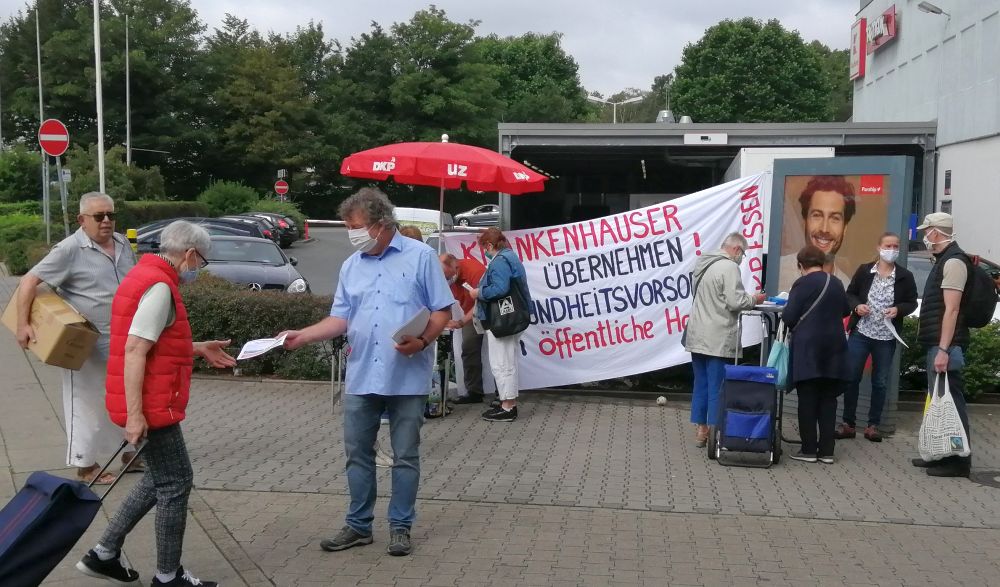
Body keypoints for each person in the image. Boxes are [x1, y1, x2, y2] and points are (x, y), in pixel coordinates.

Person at [281, 188, 453, 556]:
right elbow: (340, 318)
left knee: (405, 455)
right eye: (347, 227)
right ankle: (359, 526)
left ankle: (400, 526)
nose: (351, 234)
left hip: (406, 375)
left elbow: (442, 312)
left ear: (380, 224)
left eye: (355, 226)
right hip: (361, 376)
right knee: (358, 453)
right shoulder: (351, 264)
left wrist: (422, 342)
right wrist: (303, 335)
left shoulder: (421, 257)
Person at [75, 221, 236, 587]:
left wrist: (198, 347)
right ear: (190, 254)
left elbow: (150, 340)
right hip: (151, 405)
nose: (198, 270)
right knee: (178, 481)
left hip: (148, 400)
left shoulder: (142, 274)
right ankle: (167, 576)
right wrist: (135, 417)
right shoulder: (160, 287)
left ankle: (104, 553)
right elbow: (135, 349)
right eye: (202, 263)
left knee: (159, 479)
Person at [15, 192, 139, 484]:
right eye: (99, 216)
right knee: (85, 401)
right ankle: (86, 465)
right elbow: (28, 281)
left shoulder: (122, 243)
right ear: (82, 220)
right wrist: (23, 325)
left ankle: (130, 452)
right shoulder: (70, 248)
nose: (106, 221)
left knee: (125, 395)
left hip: (125, 337)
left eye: (110, 215)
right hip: (87, 343)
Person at [682, 233, 765, 446]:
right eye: (743, 254)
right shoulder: (729, 268)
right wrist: (754, 299)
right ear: (737, 250)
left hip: (697, 334)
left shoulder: (704, 263)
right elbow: (735, 301)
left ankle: (701, 429)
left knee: (701, 382)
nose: (742, 259)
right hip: (717, 336)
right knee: (717, 386)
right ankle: (713, 432)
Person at [838, 232, 918, 442]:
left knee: (880, 381)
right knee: (851, 378)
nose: (892, 250)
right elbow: (850, 293)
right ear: (878, 247)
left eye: (895, 246)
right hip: (862, 333)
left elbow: (912, 302)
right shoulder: (865, 271)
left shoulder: (904, 276)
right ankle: (848, 423)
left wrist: (898, 310)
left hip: (886, 337)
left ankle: (873, 425)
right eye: (888, 246)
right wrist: (857, 307)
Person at [912, 212, 974, 477]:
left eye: (928, 231)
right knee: (938, 399)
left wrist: (943, 349)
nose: (925, 236)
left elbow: (952, 310)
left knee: (952, 401)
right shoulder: (944, 260)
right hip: (939, 343)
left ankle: (959, 461)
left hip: (947, 345)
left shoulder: (954, 263)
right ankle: (941, 452)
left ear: (937, 232)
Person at [783, 245, 851, 464]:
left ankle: (809, 450)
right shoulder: (836, 282)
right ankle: (827, 452)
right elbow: (845, 311)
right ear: (822, 262)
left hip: (808, 349)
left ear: (800, 265)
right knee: (829, 400)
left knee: (808, 399)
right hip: (834, 348)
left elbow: (789, 316)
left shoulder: (802, 283)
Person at [471, 228, 532, 422]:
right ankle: (508, 401)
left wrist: (479, 293)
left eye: (485, 248)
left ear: (489, 245)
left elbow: (500, 288)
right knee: (508, 361)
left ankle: (508, 406)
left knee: (501, 363)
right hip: (513, 318)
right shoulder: (510, 257)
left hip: (502, 321)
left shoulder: (499, 261)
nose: (485, 252)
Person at [779, 176, 856, 291]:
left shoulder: (845, 286)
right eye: (817, 215)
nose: (824, 229)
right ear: (804, 221)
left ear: (844, 228)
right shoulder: (780, 271)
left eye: (834, 218)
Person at [439, 253, 488, 404]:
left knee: (498, 352)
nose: (447, 280)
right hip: (468, 311)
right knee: (468, 347)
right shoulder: (444, 275)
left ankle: (502, 394)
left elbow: (480, 303)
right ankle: (474, 391)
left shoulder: (475, 271)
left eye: (448, 276)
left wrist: (460, 322)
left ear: (456, 267)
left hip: (486, 309)